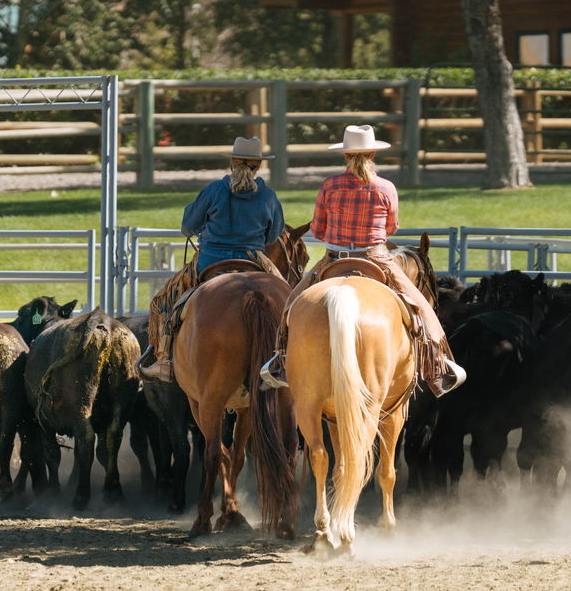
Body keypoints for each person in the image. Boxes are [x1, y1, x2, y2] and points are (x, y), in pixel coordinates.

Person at [259, 124, 466, 398]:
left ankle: (280, 360)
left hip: (334, 259)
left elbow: (318, 229)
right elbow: (391, 228)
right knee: (421, 307)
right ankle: (438, 367)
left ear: (345, 156)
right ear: (372, 154)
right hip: (376, 259)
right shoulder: (386, 187)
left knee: (291, 304)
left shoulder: (330, 185)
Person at [140, 136, 284, 383]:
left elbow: (188, 227)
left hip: (210, 259)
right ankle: (284, 357)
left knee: (163, 300)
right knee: (289, 298)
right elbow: (274, 235)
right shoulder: (268, 196)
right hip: (253, 259)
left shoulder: (215, 190)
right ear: (259, 165)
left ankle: (163, 359)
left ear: (232, 163)